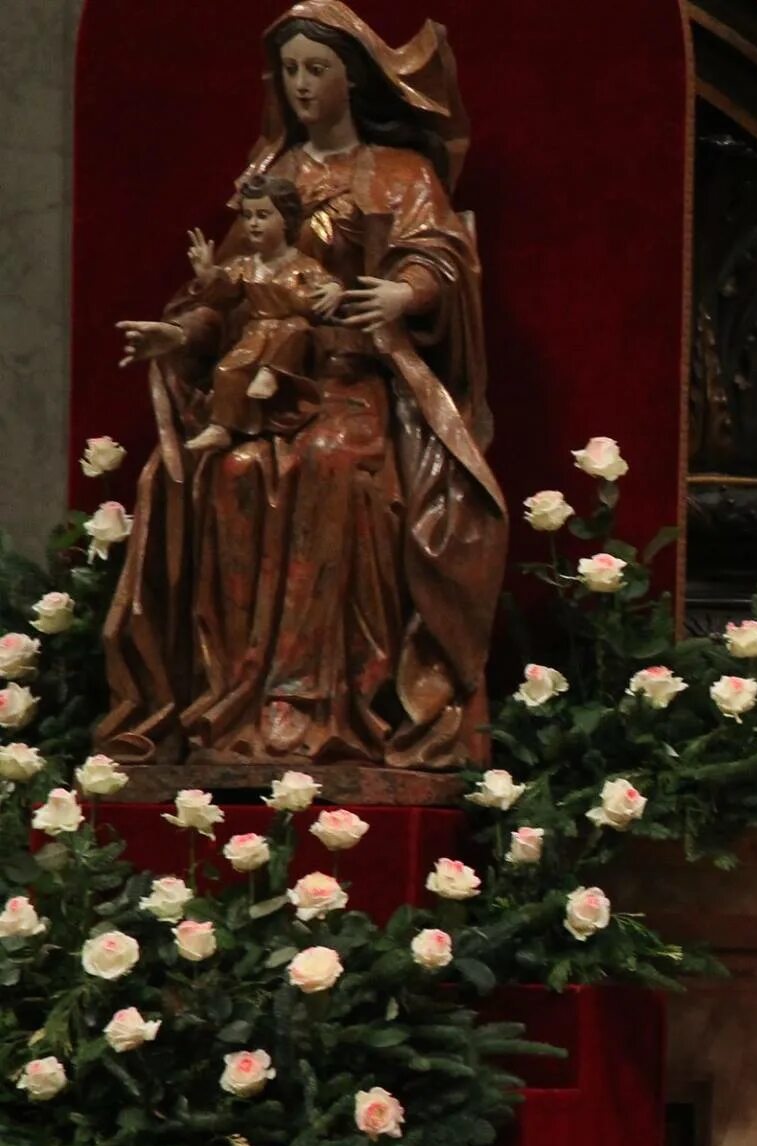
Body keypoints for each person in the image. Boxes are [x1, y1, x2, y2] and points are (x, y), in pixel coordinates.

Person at [107, 0, 503, 769]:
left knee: (331, 466)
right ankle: (242, 700)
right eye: (289, 70)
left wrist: (402, 293)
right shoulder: (269, 177)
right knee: (230, 471)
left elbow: (442, 256)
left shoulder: (401, 173)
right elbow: (226, 292)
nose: (301, 85)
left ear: (351, 79)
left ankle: (327, 701)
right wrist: (180, 334)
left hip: (357, 383)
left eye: (316, 69)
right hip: (265, 385)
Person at [183, 175, 339, 455]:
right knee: (226, 370)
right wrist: (208, 275)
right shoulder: (245, 265)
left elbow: (328, 283)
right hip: (256, 334)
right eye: (248, 216)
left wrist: (334, 290)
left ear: (287, 220)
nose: (253, 223)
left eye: (263, 215)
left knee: (295, 328)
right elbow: (224, 293)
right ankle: (221, 428)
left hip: (295, 335)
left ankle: (271, 373)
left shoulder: (302, 264)